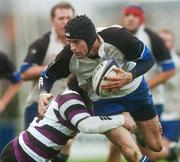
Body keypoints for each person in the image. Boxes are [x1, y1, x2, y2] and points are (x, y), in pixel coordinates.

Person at [38, 15, 162, 162]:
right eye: (69, 42)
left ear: (90, 38)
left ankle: (136, 127)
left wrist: (130, 75)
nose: (72, 47)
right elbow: (46, 76)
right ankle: (133, 127)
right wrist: (43, 93)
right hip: (104, 102)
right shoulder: (67, 56)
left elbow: (148, 59)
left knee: (155, 146)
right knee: (130, 153)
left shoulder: (118, 37)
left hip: (135, 91)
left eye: (76, 42)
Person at [0, 74, 135, 162]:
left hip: (31, 156)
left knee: (66, 146)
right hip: (21, 156)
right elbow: (87, 125)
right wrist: (121, 119)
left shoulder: (82, 103)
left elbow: (100, 124)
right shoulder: (70, 98)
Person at [106, 5, 176, 162]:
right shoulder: (115, 35)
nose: (131, 18)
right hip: (121, 98)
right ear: (123, 18)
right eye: (128, 14)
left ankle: (168, 153)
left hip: (149, 99)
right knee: (116, 142)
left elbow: (170, 69)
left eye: (135, 15)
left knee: (149, 150)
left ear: (141, 19)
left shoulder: (152, 38)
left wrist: (145, 86)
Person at [20, 2, 75, 161]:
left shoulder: (80, 43)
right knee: (34, 154)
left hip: (66, 106)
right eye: (61, 18)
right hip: (39, 105)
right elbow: (24, 72)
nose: (65, 21)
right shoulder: (42, 43)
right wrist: (53, 67)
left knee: (66, 146)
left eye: (68, 17)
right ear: (52, 21)